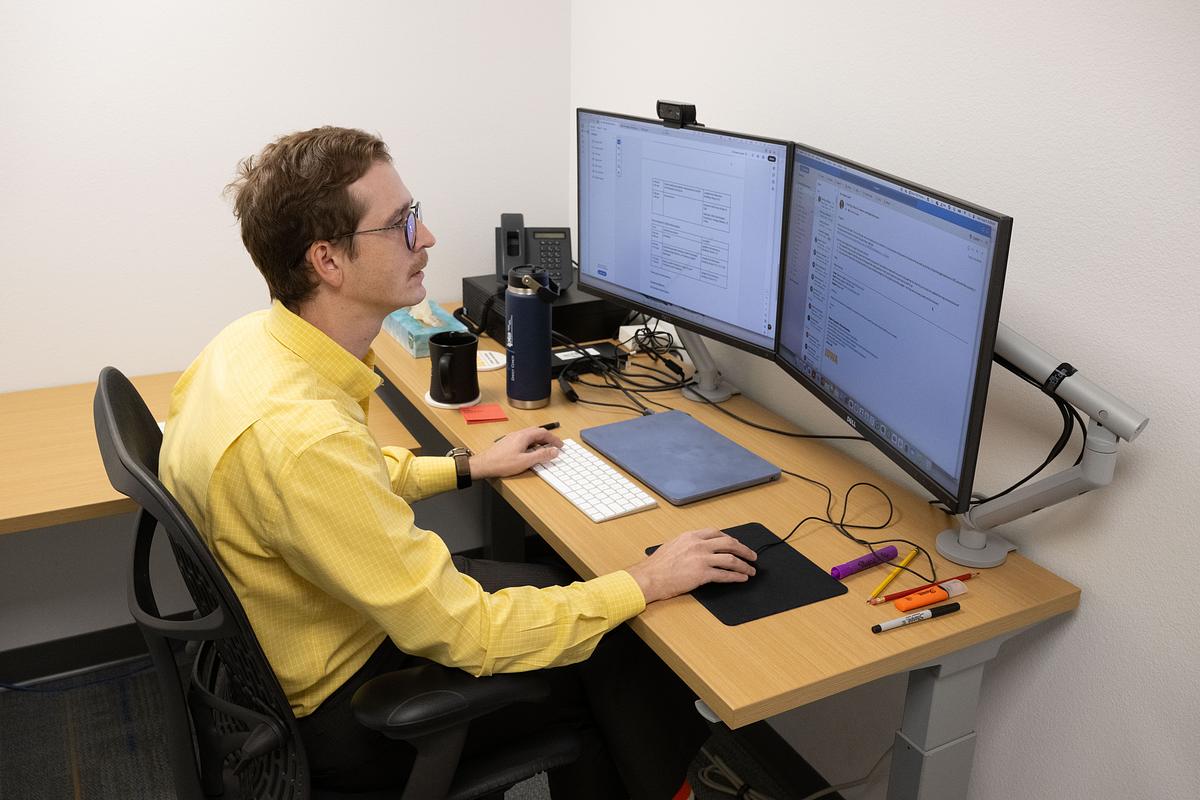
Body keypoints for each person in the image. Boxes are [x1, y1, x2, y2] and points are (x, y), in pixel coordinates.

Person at [159, 126, 757, 799]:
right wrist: (643, 580)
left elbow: (332, 488)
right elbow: (465, 633)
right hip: (346, 710)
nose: (429, 237)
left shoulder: (248, 346)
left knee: (560, 584)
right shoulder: (301, 437)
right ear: (328, 261)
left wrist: (467, 466)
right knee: (618, 647)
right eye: (401, 223)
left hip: (304, 633)